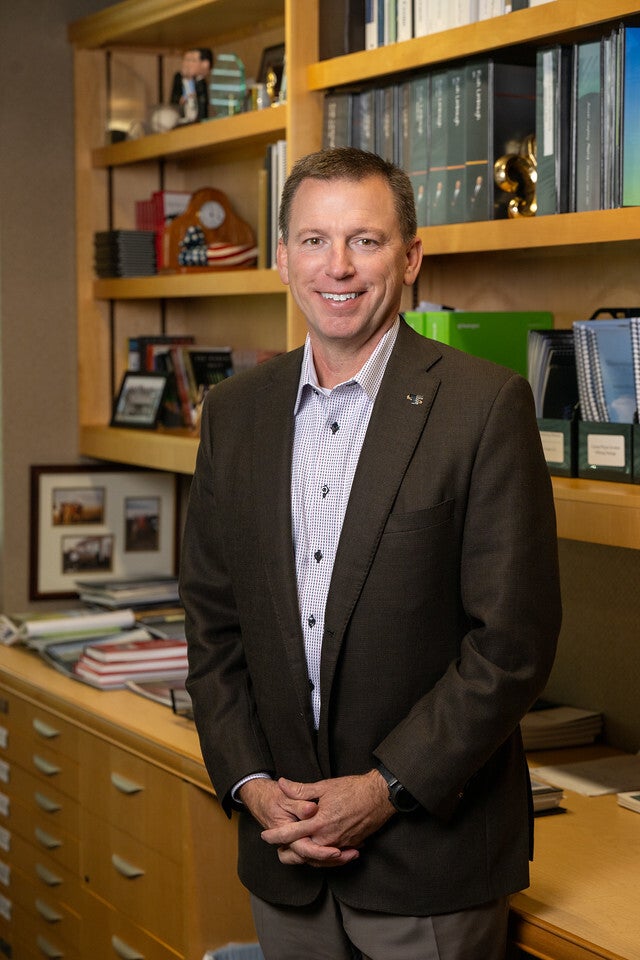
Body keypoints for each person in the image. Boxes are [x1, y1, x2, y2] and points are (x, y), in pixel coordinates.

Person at [180, 147, 561, 960]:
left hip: (429, 865)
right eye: (314, 241)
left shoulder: (484, 406)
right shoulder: (236, 412)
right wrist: (250, 782)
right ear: (282, 258)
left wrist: (383, 790)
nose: (338, 267)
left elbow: (511, 645)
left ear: (411, 256)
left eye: (366, 240)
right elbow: (213, 625)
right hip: (284, 857)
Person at [170, 47, 212, 121]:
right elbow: (174, 99)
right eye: (186, 60)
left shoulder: (202, 82)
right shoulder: (179, 78)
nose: (188, 64)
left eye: (193, 61)